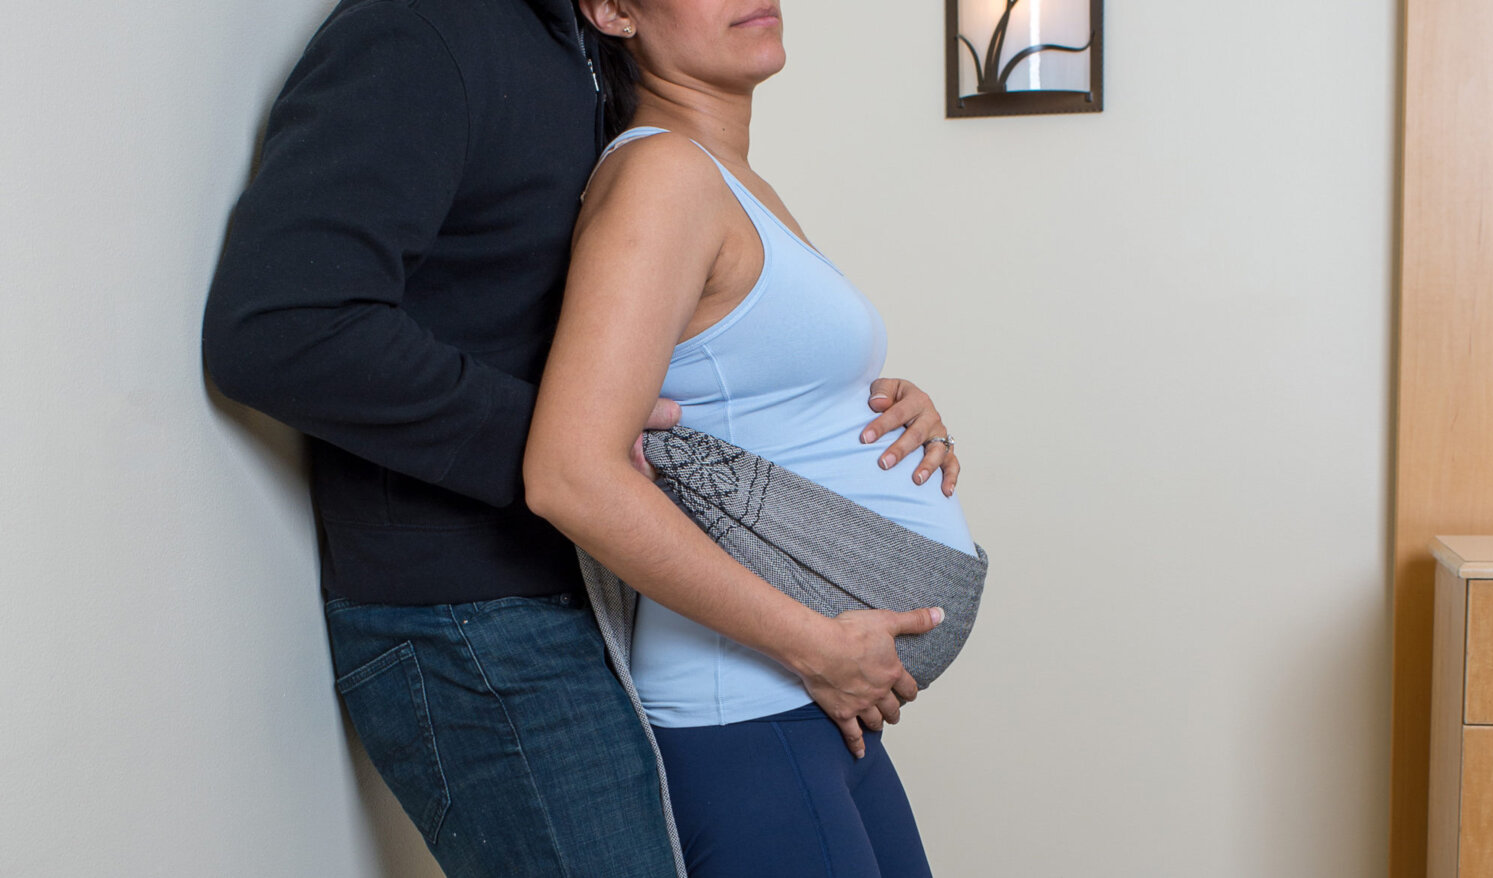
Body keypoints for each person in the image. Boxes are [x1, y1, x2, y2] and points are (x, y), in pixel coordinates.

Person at [201, 0, 962, 875]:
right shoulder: (422, 31)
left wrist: (853, 411)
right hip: (479, 616)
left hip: (601, 593)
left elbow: (664, 351)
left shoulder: (587, 57)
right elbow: (283, 326)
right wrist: (576, 449)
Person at [523, 2, 982, 876]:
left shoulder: (720, 175)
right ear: (616, 12)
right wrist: (813, 645)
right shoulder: (661, 175)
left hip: (803, 703)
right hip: (749, 706)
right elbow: (569, 473)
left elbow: (738, 392)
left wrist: (880, 404)